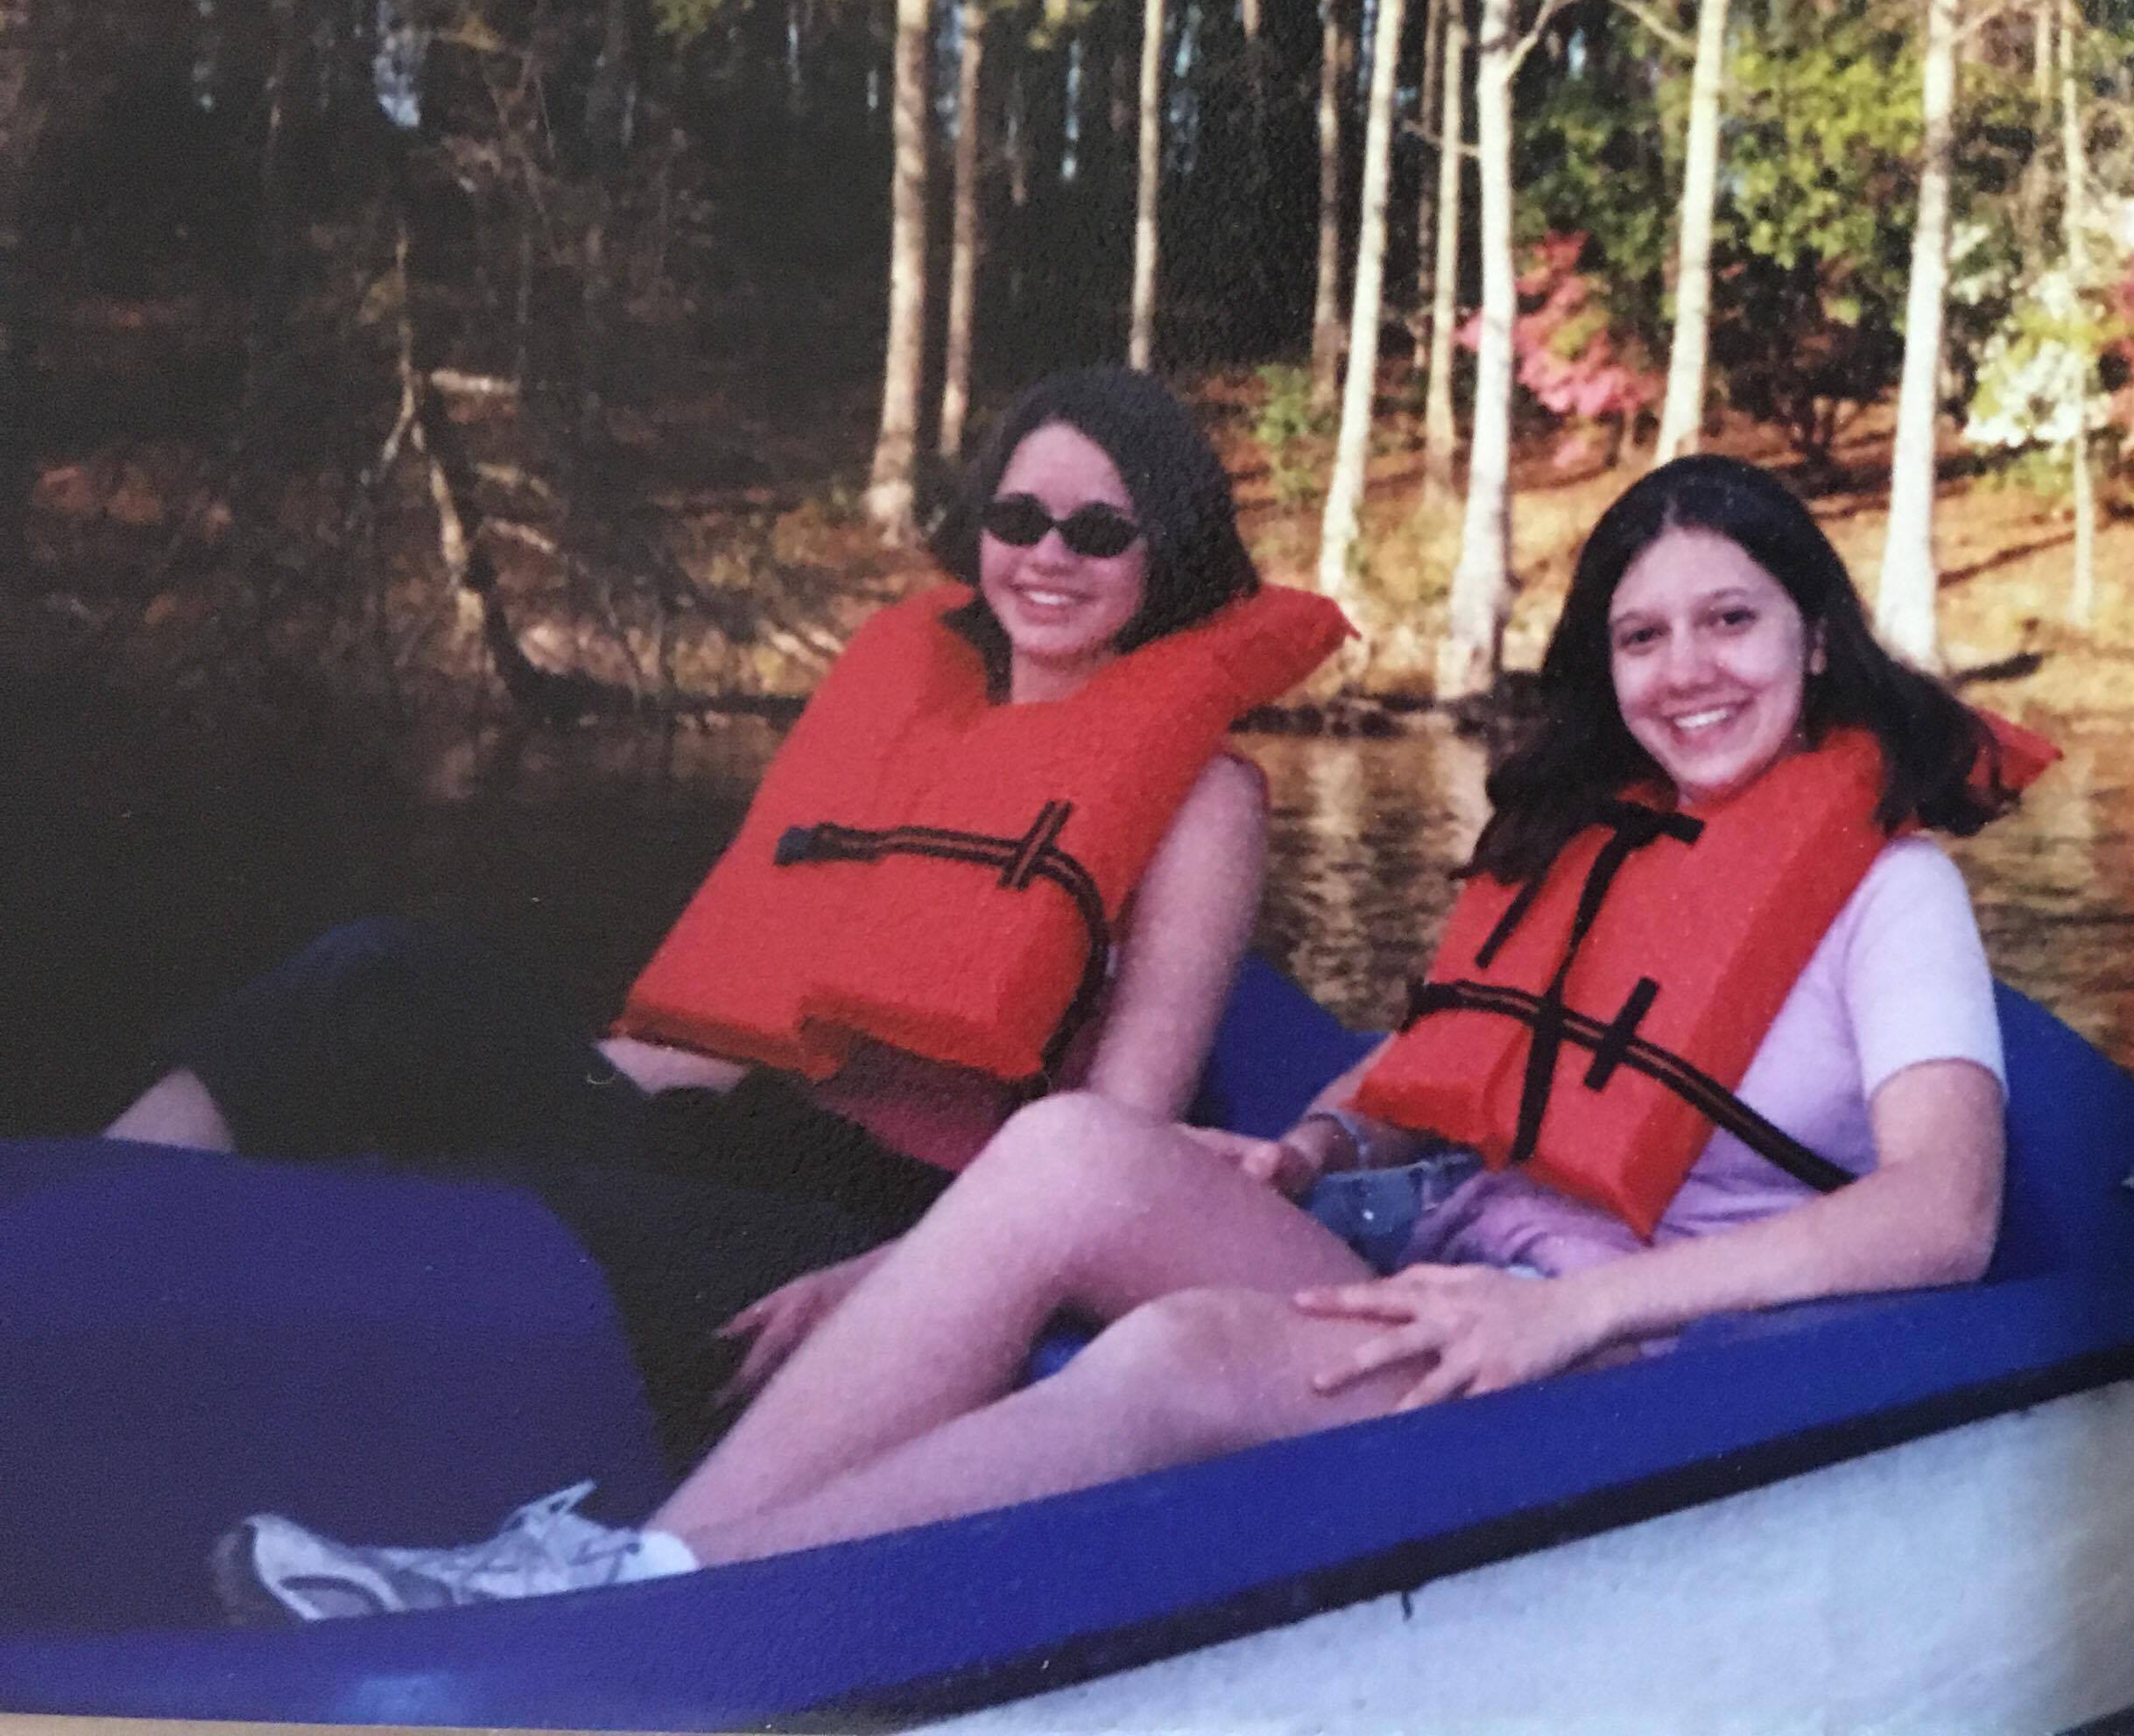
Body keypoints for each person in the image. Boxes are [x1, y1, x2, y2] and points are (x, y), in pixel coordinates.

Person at [218, 453, 2035, 1618]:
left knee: (1174, 1357)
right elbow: (1451, 1066)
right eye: (1642, 637)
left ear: (1813, 637)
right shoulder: (1598, 851)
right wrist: (1315, 1149)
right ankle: (627, 1564)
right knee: (1075, 1144)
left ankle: (633, 1610)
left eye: (1731, 620)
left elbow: (1942, 1218)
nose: (1687, 670)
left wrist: (1572, 1309)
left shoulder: (1895, 900)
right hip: (1439, 1273)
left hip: (1622, 1351)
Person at [114, 367, 1323, 1458]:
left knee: (521, 1210)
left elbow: (1118, 1141)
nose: (1049, 557)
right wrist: (524, 1079)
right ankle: (74, 1220)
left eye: (1101, 531)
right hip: (737, 1135)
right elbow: (717, 1026)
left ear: (1168, 556)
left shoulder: (1201, 798)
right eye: (1020, 519)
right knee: (380, 980)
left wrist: (897, 1283)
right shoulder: (907, 722)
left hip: (908, 1223)